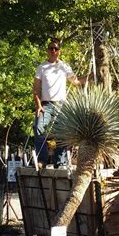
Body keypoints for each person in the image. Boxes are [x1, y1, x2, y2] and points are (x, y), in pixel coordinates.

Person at [33, 39, 87, 167]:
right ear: (47, 50)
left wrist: (91, 76)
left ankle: (60, 161)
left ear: (59, 51)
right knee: (38, 128)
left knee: (62, 133)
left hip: (61, 105)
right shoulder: (42, 67)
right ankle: (42, 159)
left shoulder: (64, 66)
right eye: (51, 48)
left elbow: (76, 82)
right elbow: (36, 89)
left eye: (56, 49)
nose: (53, 51)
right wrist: (38, 105)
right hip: (45, 105)